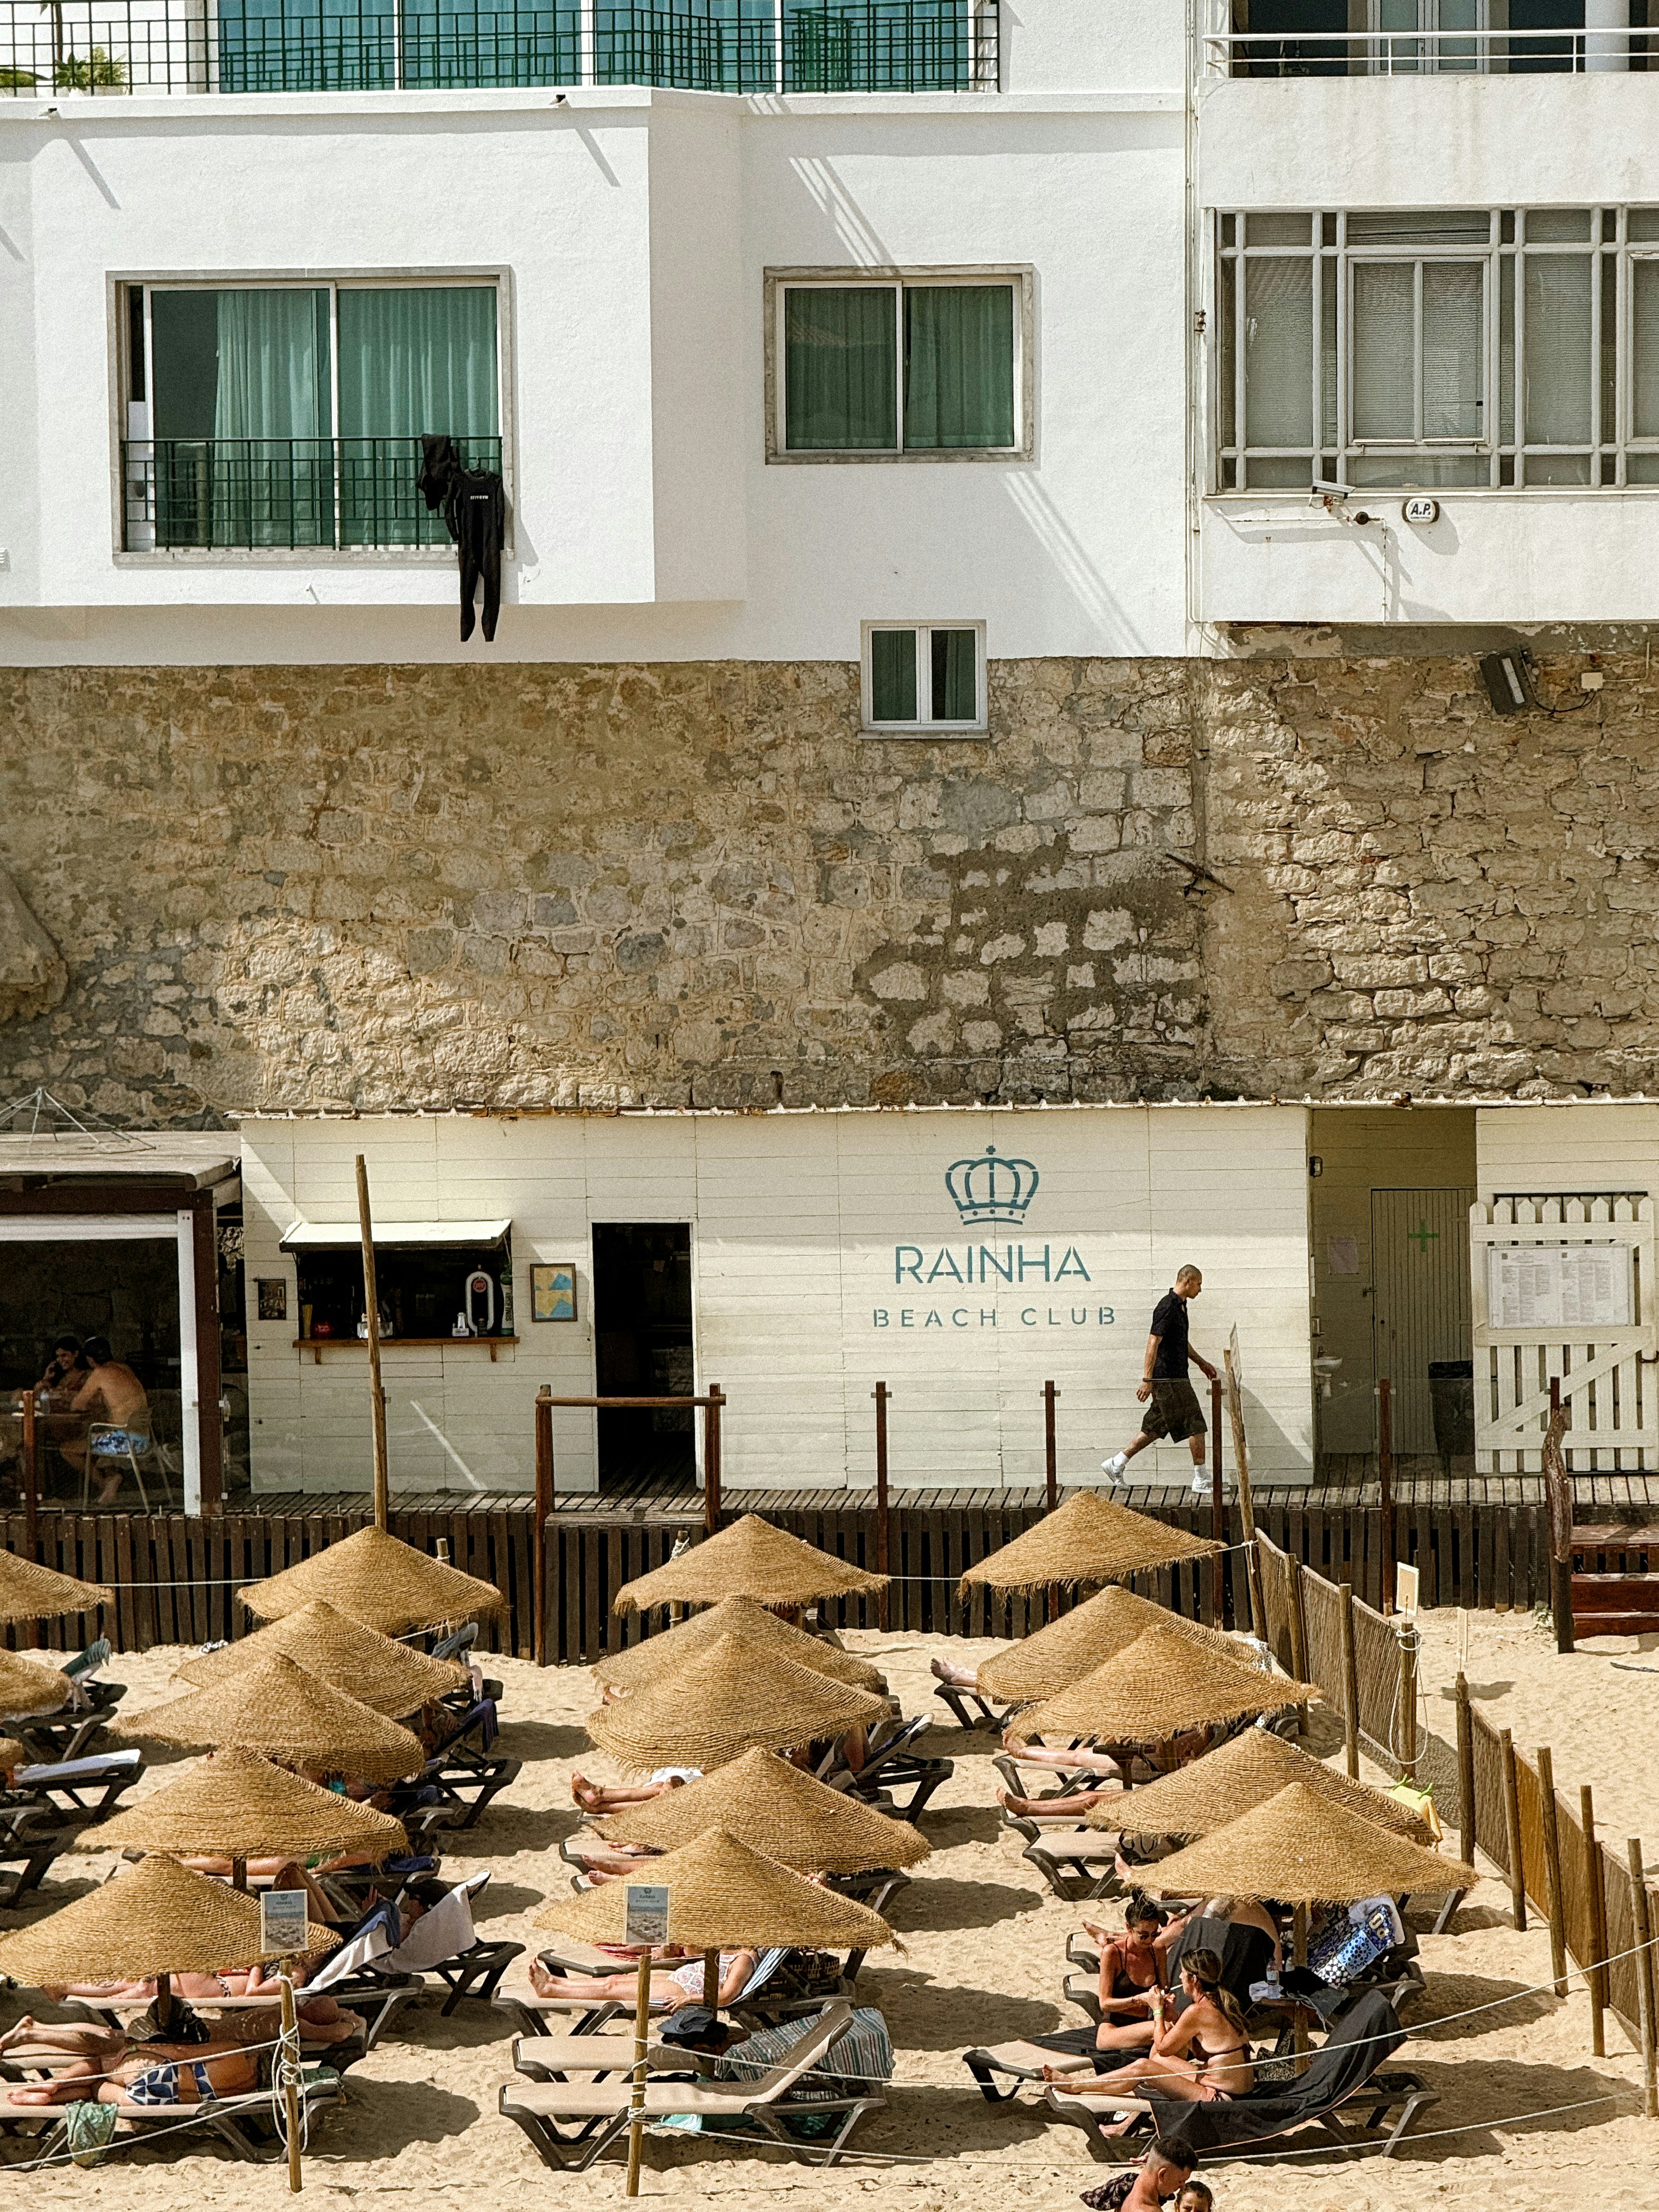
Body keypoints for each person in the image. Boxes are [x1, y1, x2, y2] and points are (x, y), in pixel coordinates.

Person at [1049, 1949, 1255, 2129]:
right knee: (1155, 2061)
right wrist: (1171, 2014)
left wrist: (1157, 2011)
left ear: (1193, 1979)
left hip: (1222, 2098)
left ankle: (1078, 2085)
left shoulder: (1197, 2011)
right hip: (1230, 2086)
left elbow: (1165, 2048)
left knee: (1143, 2066)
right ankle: (1129, 2120)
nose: (1180, 1976)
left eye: (1183, 1972)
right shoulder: (1222, 2001)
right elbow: (1199, 2049)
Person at [1100, 1267, 1217, 1495]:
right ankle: (1201, 1479)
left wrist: (1201, 1363)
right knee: (1195, 1425)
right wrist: (1147, 1379)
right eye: (1199, 1284)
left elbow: (1181, 1343)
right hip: (1168, 1379)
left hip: (1175, 1376)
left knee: (1154, 1428)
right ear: (1188, 1281)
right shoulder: (1168, 1306)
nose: (1201, 1290)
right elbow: (1153, 1342)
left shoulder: (1181, 1307)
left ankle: (1116, 1463)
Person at [62, 1335, 152, 1503]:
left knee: (68, 1449)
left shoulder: (100, 1373)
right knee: (101, 1435)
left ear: (90, 1359)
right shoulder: (124, 1368)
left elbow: (76, 1405)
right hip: (143, 1439)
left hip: (124, 1441)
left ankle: (105, 1484)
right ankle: (112, 1478)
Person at [528, 1945, 759, 2010]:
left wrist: (690, 2000)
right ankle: (557, 1982)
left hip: (684, 1992)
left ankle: (551, 1989)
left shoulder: (745, 1960)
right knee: (614, 1981)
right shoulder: (736, 1950)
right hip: (679, 1979)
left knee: (612, 1988)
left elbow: (726, 1997)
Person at [1077, 2135, 1197, 2210]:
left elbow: (1155, 2169)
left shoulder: (1128, 2186)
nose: (1182, 2187)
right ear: (1163, 2175)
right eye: (1181, 2181)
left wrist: (1152, 2164)